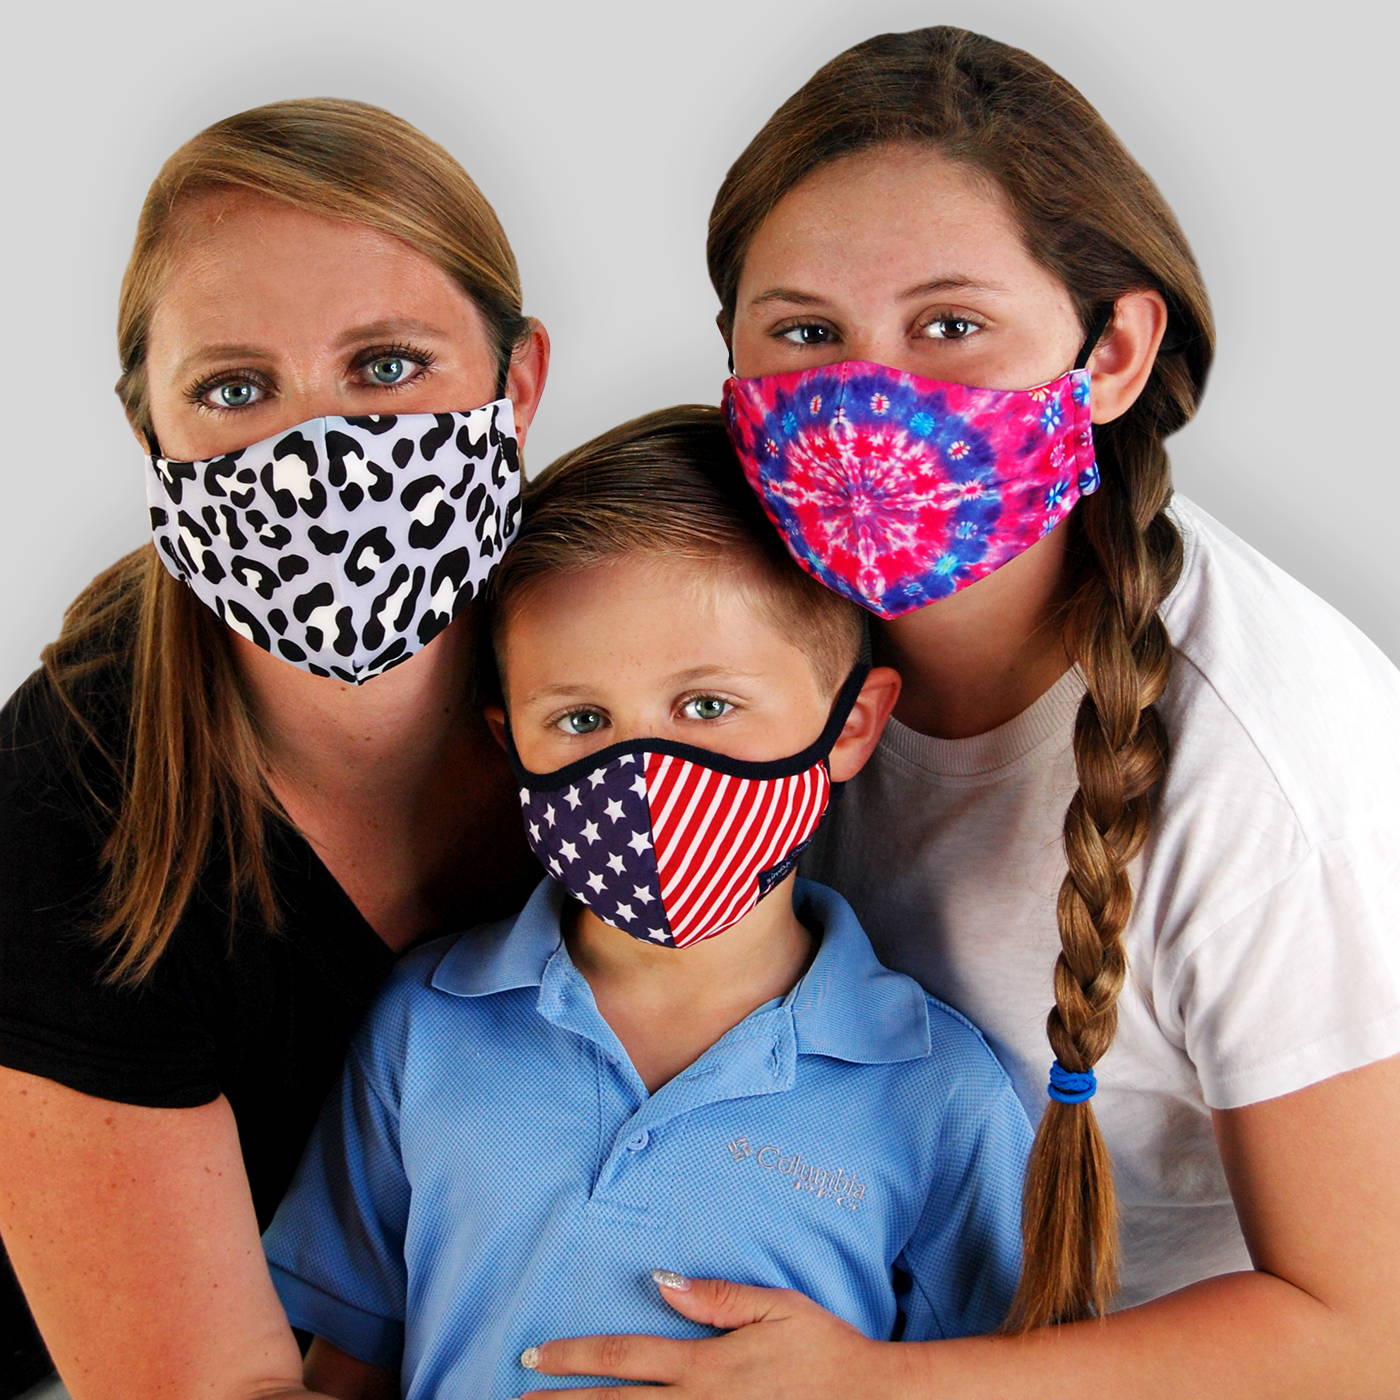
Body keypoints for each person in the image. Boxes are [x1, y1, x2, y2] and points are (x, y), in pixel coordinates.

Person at [513, 26, 1400, 1399]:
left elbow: (1366, 1331)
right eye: (806, 333)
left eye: (951, 326)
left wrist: (878, 1389)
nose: (870, 404)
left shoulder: (1271, 774)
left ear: (1109, 351)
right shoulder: (709, 605)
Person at [260, 406, 1034, 1399]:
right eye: (579, 718)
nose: (639, 776)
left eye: (706, 705)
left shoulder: (938, 1095)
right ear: (511, 745)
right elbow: (350, 1356)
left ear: (851, 725)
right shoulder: (425, 1021)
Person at [0, 98, 548, 1399]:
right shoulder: (70, 795)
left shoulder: (650, 657)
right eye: (237, 388)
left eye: (388, 365)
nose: (321, 454)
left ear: (518, 383)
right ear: (155, 438)